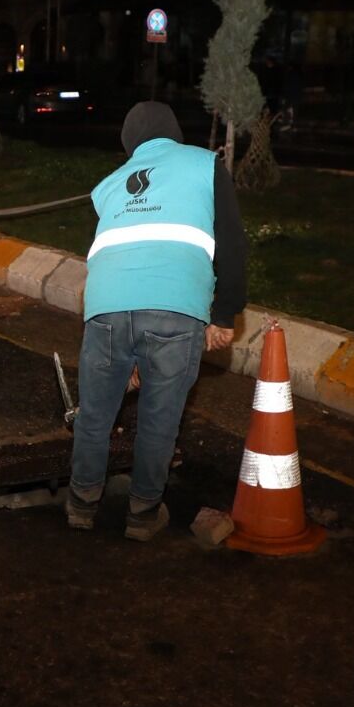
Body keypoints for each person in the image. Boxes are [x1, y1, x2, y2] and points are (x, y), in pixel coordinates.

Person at [66, 101, 248, 540]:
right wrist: (224, 314)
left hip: (106, 308)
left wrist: (121, 349)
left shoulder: (109, 185)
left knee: (94, 415)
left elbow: (113, 256)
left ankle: (81, 504)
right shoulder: (205, 165)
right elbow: (233, 246)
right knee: (158, 419)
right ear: (174, 133)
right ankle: (143, 515)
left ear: (129, 143)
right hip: (175, 310)